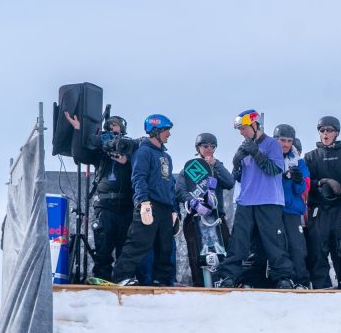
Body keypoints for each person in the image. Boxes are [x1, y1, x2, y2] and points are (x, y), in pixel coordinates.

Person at [215, 110, 298, 289]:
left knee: (273, 241)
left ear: (254, 125)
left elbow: (274, 169)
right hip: (246, 200)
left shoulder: (272, 145)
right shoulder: (245, 145)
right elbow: (238, 176)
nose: (241, 132)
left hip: (269, 200)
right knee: (239, 241)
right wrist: (237, 162)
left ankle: (283, 276)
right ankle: (228, 275)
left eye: (243, 128)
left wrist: (256, 153)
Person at [64, 111, 137, 281]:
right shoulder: (101, 154)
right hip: (105, 205)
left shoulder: (131, 149)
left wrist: (127, 160)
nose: (113, 131)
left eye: (116, 127)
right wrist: (78, 130)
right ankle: (101, 279)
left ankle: (123, 279)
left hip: (126, 205)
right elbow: (79, 155)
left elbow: (141, 168)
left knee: (124, 248)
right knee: (103, 246)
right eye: (110, 127)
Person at [111, 114, 179, 286]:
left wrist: (173, 209)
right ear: (155, 131)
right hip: (149, 203)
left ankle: (162, 280)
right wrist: (143, 202)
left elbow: (170, 183)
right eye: (166, 130)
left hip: (165, 206)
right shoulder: (144, 152)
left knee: (166, 247)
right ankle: (121, 276)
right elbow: (138, 178)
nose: (168, 134)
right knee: (139, 242)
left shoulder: (167, 157)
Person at [178, 132, 236, 287]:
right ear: (198, 148)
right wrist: (193, 203)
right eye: (205, 146)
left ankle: (223, 282)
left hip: (216, 218)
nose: (209, 149)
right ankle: (199, 286)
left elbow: (230, 182)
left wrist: (215, 165)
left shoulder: (217, 166)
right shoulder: (189, 168)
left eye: (212, 146)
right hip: (195, 218)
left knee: (222, 253)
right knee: (197, 255)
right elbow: (180, 191)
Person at [303, 115, 341, 289]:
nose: (325, 133)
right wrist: (322, 183)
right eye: (322, 130)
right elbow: (306, 181)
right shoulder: (310, 156)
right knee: (317, 249)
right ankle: (321, 286)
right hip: (319, 209)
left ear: (336, 133)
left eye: (329, 130)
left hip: (340, 209)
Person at [274, 124, 311, 289]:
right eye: (283, 140)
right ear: (276, 140)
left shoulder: (298, 161)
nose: (286, 144)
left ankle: (301, 280)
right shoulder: (270, 158)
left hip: (293, 210)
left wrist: (298, 180)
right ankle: (282, 278)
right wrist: (284, 177)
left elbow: (303, 189)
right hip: (274, 209)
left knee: (297, 246)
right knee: (278, 245)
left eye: (289, 141)